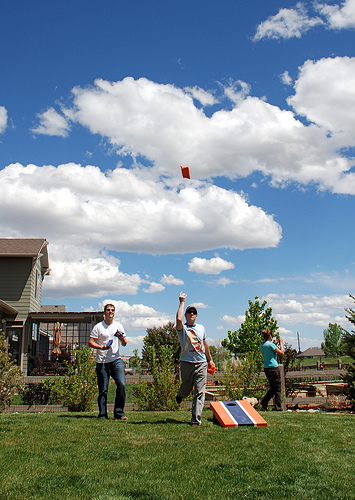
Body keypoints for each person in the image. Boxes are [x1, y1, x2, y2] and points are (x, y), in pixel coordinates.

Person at [175, 292, 215, 427]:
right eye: (189, 312)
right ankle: (180, 394)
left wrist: (210, 360)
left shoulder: (201, 328)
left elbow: (205, 344)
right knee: (187, 388)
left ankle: (195, 420)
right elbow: (178, 320)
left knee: (199, 391)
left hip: (201, 363)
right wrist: (182, 302)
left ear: (196, 316)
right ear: (186, 315)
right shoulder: (182, 329)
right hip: (186, 363)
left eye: (194, 312)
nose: (191, 314)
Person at [88, 303, 128, 420]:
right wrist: (101, 347)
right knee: (103, 390)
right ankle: (102, 415)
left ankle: (119, 413)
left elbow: (125, 343)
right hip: (102, 361)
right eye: (108, 310)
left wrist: (122, 338)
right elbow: (91, 342)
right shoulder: (98, 327)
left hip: (116, 360)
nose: (110, 312)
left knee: (121, 384)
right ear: (104, 312)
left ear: (114, 313)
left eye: (112, 310)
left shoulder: (118, 326)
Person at [259, 329, 284, 411]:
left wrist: (275, 343)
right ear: (270, 336)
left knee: (272, 388)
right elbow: (281, 353)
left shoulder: (262, 346)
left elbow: (269, 348)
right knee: (277, 389)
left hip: (267, 369)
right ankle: (278, 407)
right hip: (274, 368)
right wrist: (281, 343)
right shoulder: (271, 345)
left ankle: (263, 403)